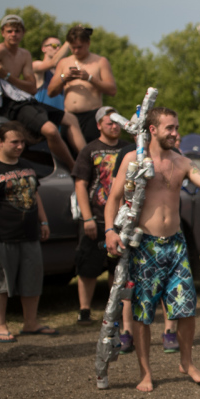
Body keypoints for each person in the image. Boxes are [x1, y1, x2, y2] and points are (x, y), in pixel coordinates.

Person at [105, 107, 200, 391]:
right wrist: (109, 230)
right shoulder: (134, 160)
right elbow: (113, 198)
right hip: (145, 245)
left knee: (186, 309)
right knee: (143, 312)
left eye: (176, 127)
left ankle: (187, 363)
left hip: (176, 244)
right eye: (169, 128)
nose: (175, 133)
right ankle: (145, 373)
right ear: (153, 129)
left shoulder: (181, 162)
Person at [0, 15, 86, 170]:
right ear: (3, 33)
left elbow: (31, 88)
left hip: (25, 100)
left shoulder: (24, 54)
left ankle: (86, 163)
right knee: (51, 130)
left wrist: (8, 76)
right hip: (9, 104)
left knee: (71, 119)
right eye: (10, 31)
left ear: (23, 33)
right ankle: (74, 168)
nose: (14, 34)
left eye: (17, 31)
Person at [0, 122, 55, 342]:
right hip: (1, 237)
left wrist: (44, 221)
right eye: (15, 142)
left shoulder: (28, 167)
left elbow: (35, 194)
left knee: (32, 281)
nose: (20, 146)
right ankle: (0, 326)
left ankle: (31, 323)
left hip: (29, 235)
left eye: (22, 142)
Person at [71, 107, 134, 344]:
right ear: (99, 125)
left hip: (123, 219)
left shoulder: (128, 149)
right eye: (109, 123)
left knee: (117, 267)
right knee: (88, 266)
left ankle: (116, 308)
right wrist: (86, 217)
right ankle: (85, 308)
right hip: (96, 216)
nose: (114, 127)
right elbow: (80, 184)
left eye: (117, 123)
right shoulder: (89, 150)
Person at [43, 25, 117, 142]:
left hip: (91, 116)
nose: (76, 51)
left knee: (90, 153)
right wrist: (64, 78)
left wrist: (90, 78)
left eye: (79, 47)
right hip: (70, 116)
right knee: (69, 155)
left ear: (88, 43)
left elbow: (112, 90)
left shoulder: (100, 61)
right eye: (73, 48)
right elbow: (51, 92)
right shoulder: (64, 62)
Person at [31, 37, 67, 111]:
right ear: (44, 49)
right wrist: (70, 40)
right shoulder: (36, 65)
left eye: (59, 46)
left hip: (60, 117)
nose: (57, 48)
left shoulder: (62, 72)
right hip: (43, 116)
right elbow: (53, 62)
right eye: (54, 45)